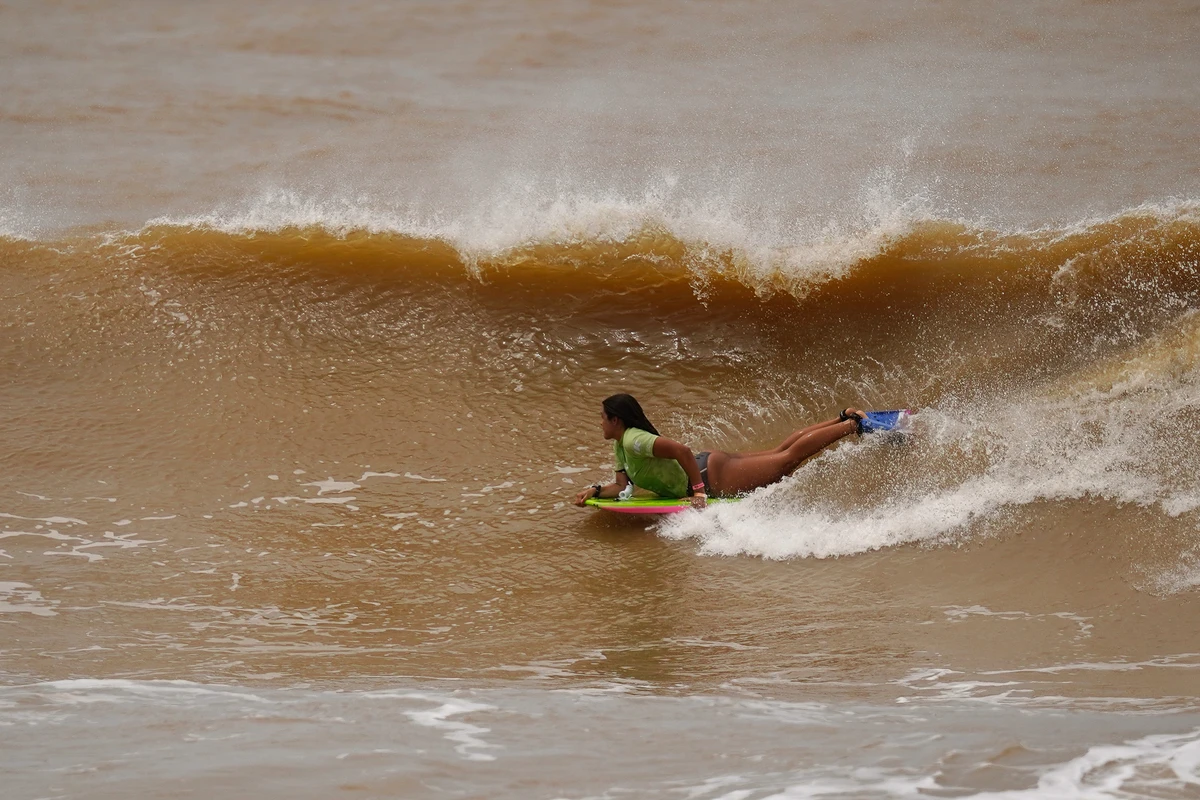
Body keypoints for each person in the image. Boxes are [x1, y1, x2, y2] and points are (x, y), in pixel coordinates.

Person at [574, 393, 879, 510]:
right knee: (780, 451)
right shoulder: (620, 444)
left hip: (710, 476)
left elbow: (680, 450)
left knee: (787, 461)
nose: (598, 423)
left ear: (617, 420)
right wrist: (596, 491)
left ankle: (852, 427)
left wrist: (698, 493)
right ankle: (842, 416)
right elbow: (622, 486)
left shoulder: (633, 440)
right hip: (708, 465)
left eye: (602, 417)